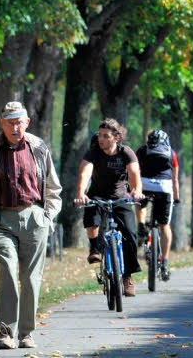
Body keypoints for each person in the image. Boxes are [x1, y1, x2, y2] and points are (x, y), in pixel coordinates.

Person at [0, 101, 62, 350]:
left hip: (35, 218)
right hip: (0, 220)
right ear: (2, 123)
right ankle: (6, 333)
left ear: (27, 122)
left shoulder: (39, 148)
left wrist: (48, 218)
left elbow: (53, 188)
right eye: (10, 123)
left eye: (19, 122)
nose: (15, 127)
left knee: (31, 278)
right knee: (8, 269)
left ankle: (26, 334)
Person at [74, 118, 144, 297]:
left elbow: (134, 173)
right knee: (91, 213)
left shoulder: (126, 152)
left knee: (130, 234)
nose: (101, 139)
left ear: (116, 138)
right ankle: (94, 248)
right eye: (100, 135)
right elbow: (85, 172)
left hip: (121, 197)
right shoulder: (94, 152)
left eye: (106, 136)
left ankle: (127, 277)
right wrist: (81, 193)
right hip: (98, 195)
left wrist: (136, 191)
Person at [136, 129, 180, 280]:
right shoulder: (171, 153)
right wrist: (177, 197)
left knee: (140, 203)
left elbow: (135, 171)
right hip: (164, 187)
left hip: (145, 185)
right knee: (164, 225)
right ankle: (165, 261)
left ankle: (141, 224)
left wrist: (134, 189)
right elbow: (175, 178)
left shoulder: (142, 150)